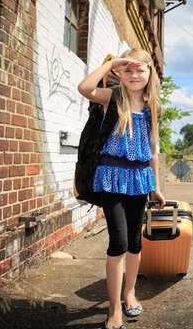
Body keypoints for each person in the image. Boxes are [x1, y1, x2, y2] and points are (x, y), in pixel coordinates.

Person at [77, 47, 166, 329]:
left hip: (140, 178)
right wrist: (112, 63)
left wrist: (157, 187)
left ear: (150, 73)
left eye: (140, 69)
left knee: (135, 243)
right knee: (118, 242)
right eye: (128, 70)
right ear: (120, 73)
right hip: (111, 175)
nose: (134, 74)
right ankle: (114, 309)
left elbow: (153, 149)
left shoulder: (153, 106)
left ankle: (130, 294)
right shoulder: (113, 97)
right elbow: (85, 87)